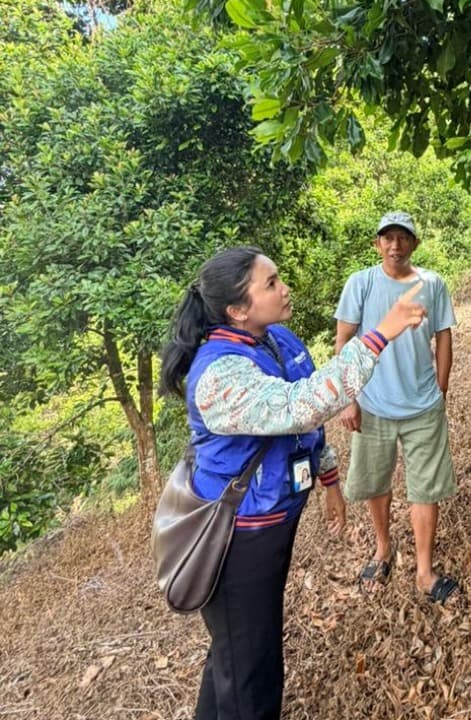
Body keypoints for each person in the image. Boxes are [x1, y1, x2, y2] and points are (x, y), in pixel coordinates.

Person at [158, 246, 425, 720]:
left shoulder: (276, 340)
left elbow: (306, 427)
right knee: (252, 671)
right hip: (236, 539)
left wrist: (330, 482)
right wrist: (381, 333)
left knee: (236, 653)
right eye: (271, 284)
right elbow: (300, 405)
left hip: (271, 525)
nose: (285, 289)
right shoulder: (220, 373)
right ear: (237, 310)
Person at [334, 211, 460, 605]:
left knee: (425, 488)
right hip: (373, 403)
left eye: (403, 238)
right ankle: (383, 549)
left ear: (414, 244)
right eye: (387, 238)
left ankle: (424, 571)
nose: (395, 245)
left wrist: (440, 388)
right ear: (377, 244)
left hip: (422, 405)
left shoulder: (433, 284)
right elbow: (343, 343)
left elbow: (443, 337)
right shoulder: (362, 283)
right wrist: (349, 398)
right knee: (376, 481)